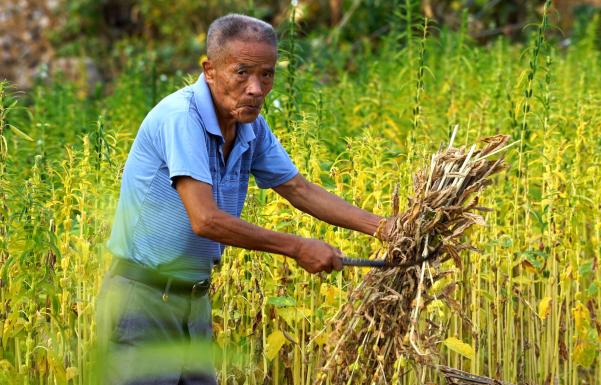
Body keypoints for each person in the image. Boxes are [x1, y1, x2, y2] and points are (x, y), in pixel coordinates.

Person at [95, 13, 392, 385]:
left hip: (194, 301)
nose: (256, 88)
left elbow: (298, 189)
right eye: (242, 73)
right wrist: (298, 247)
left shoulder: (250, 125)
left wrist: (385, 229)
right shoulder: (180, 117)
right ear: (209, 70)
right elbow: (204, 220)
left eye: (266, 75)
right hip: (144, 299)